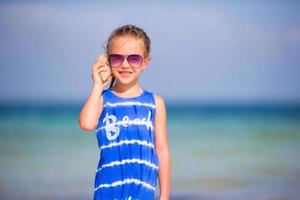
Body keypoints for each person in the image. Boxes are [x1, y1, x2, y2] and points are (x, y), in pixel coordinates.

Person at [78, 24, 171, 200]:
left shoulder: (155, 104)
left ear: (145, 62)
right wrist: (98, 84)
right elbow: (86, 123)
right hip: (107, 192)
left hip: (142, 193)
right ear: (108, 61)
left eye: (134, 59)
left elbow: (162, 150)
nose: (125, 64)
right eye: (117, 58)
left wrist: (164, 196)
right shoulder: (102, 99)